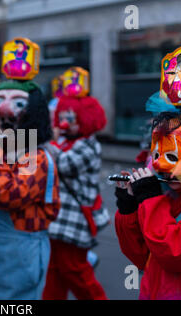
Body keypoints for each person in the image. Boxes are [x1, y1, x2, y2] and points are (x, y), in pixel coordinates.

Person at [0, 76, 60, 299]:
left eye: (18, 103)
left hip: (20, 256)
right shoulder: (3, 152)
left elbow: (9, 195)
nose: (3, 110)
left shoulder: (37, 157)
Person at [114, 114, 181, 299]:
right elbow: (142, 257)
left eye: (173, 156)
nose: (159, 164)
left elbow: (173, 252)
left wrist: (150, 199)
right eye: (157, 155)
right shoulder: (173, 198)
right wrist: (130, 207)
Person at [43, 93, 110, 300]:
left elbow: (64, 165)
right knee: (53, 273)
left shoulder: (88, 145)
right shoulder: (66, 142)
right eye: (62, 117)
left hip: (74, 223)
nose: (64, 123)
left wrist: (50, 143)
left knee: (76, 272)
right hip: (58, 221)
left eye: (70, 118)